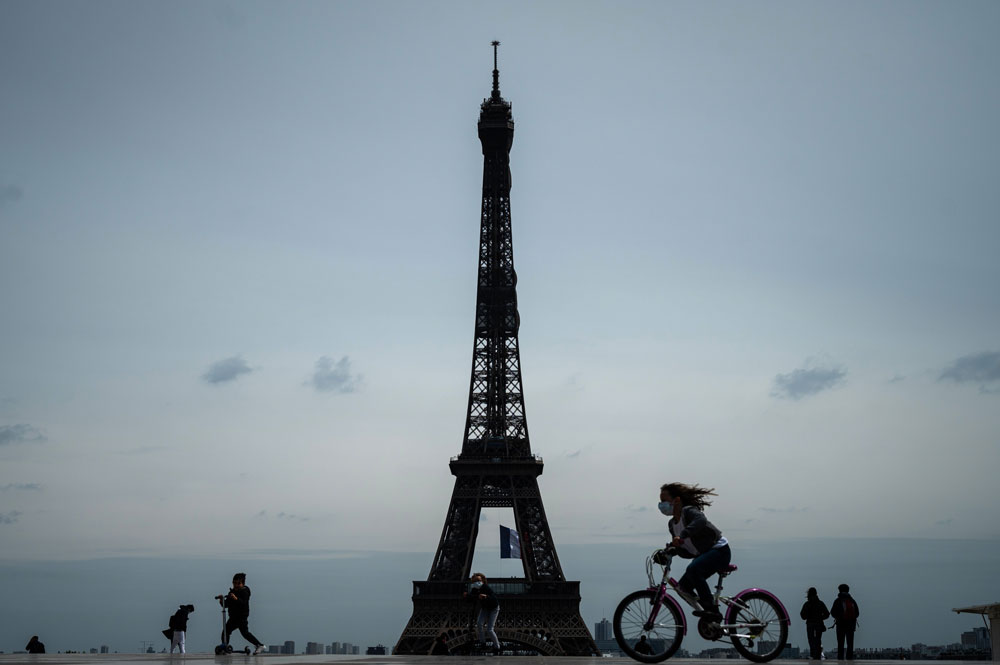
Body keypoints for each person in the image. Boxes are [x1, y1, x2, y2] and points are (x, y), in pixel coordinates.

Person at [657, 482, 730, 621]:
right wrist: (670, 551)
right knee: (682, 587)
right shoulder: (672, 524)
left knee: (694, 570)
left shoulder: (689, 511)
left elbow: (700, 520)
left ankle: (711, 610)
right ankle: (707, 612)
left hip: (719, 550)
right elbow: (685, 550)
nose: (661, 505)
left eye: (664, 501)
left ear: (676, 500)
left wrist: (683, 535)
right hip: (703, 555)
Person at [215, 572, 265, 655]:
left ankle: (260, 645)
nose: (236, 585)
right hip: (233, 617)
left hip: (241, 617)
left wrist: (236, 599)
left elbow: (243, 602)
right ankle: (224, 646)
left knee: (245, 633)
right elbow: (226, 605)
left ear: (242, 583)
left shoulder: (245, 591)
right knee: (226, 631)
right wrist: (221, 600)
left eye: (238, 583)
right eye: (234, 583)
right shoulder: (232, 592)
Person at [463, 572, 500, 654]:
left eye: (479, 580)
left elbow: (494, 598)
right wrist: (466, 596)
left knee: (490, 629)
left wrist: (486, 597)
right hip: (485, 608)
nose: (477, 582)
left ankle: (497, 647)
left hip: (494, 608)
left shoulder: (486, 587)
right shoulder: (475, 589)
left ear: (482, 580)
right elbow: (472, 598)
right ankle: (483, 643)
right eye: (475, 581)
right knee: (479, 624)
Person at [830, 583, 859, 660]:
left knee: (840, 643)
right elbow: (857, 613)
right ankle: (849, 657)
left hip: (840, 625)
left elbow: (832, 612)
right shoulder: (852, 600)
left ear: (839, 590)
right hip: (851, 625)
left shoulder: (838, 600)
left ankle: (840, 658)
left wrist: (838, 618)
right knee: (850, 643)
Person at [800, 587, 829, 659]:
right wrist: (820, 618)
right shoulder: (820, 603)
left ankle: (813, 654)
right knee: (818, 639)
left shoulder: (807, 604)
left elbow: (802, 616)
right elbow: (827, 614)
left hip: (810, 624)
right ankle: (818, 654)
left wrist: (808, 616)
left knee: (811, 640)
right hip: (819, 623)